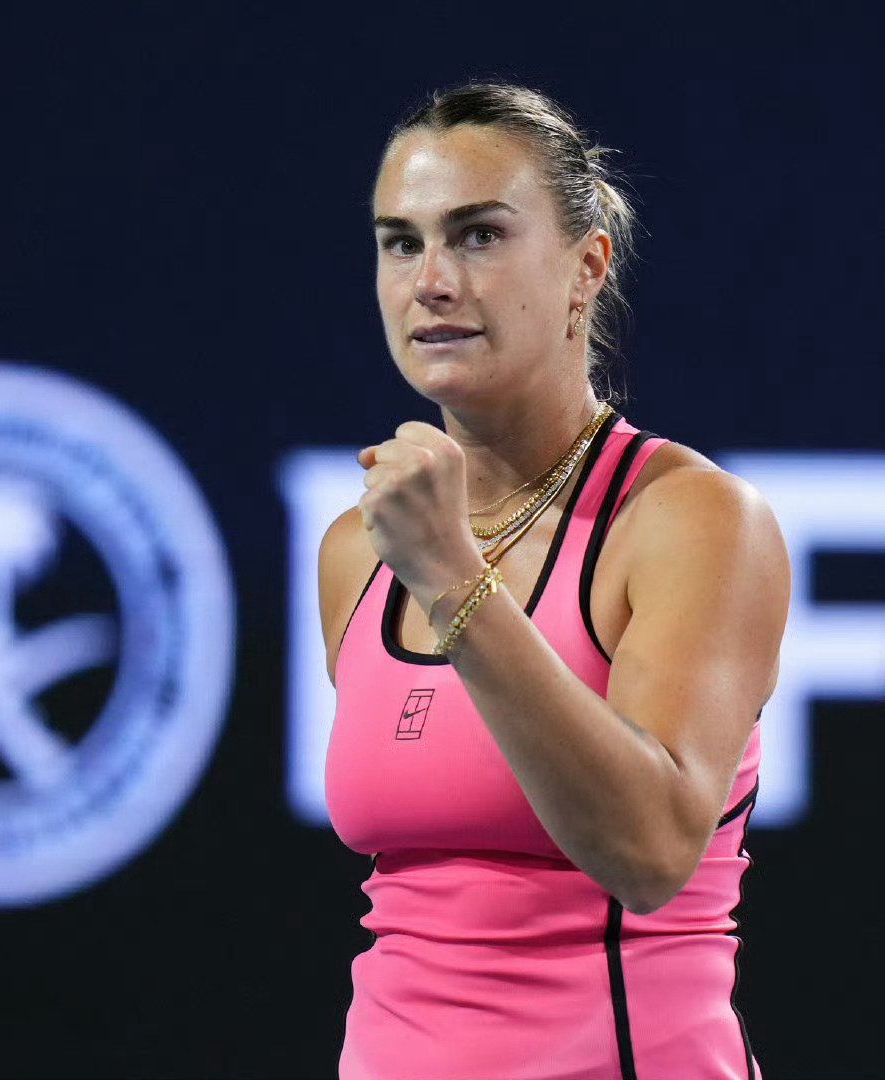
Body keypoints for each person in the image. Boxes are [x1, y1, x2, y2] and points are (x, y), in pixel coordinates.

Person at [318, 82, 790, 1080]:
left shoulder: (692, 521)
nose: (431, 281)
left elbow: (650, 852)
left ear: (587, 268)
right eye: (400, 242)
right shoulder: (357, 551)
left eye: (479, 235)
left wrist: (453, 578)